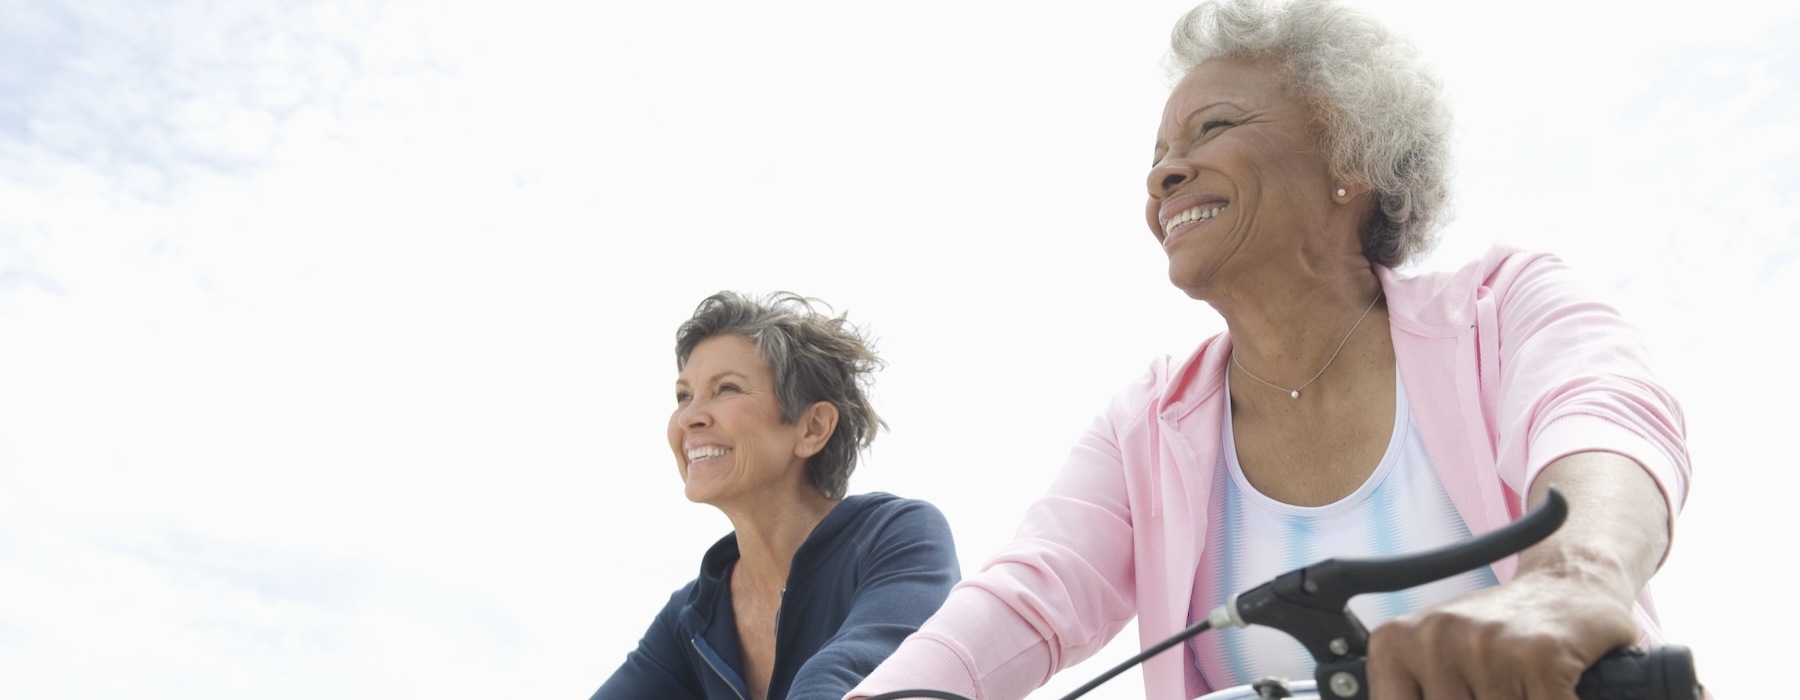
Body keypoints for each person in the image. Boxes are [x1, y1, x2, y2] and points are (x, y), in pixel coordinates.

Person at [847, 1, 1690, 699]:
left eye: (1210, 129)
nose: (1164, 176)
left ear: (1349, 153)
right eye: (1158, 159)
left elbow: (1604, 427)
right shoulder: (1147, 420)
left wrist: (1572, 581)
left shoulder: (1504, 307)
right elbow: (1027, 597)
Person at [593, 291, 960, 700]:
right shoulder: (692, 618)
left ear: (812, 427)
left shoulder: (899, 537)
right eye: (683, 396)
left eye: (727, 388)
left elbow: (849, 674)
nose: (688, 417)